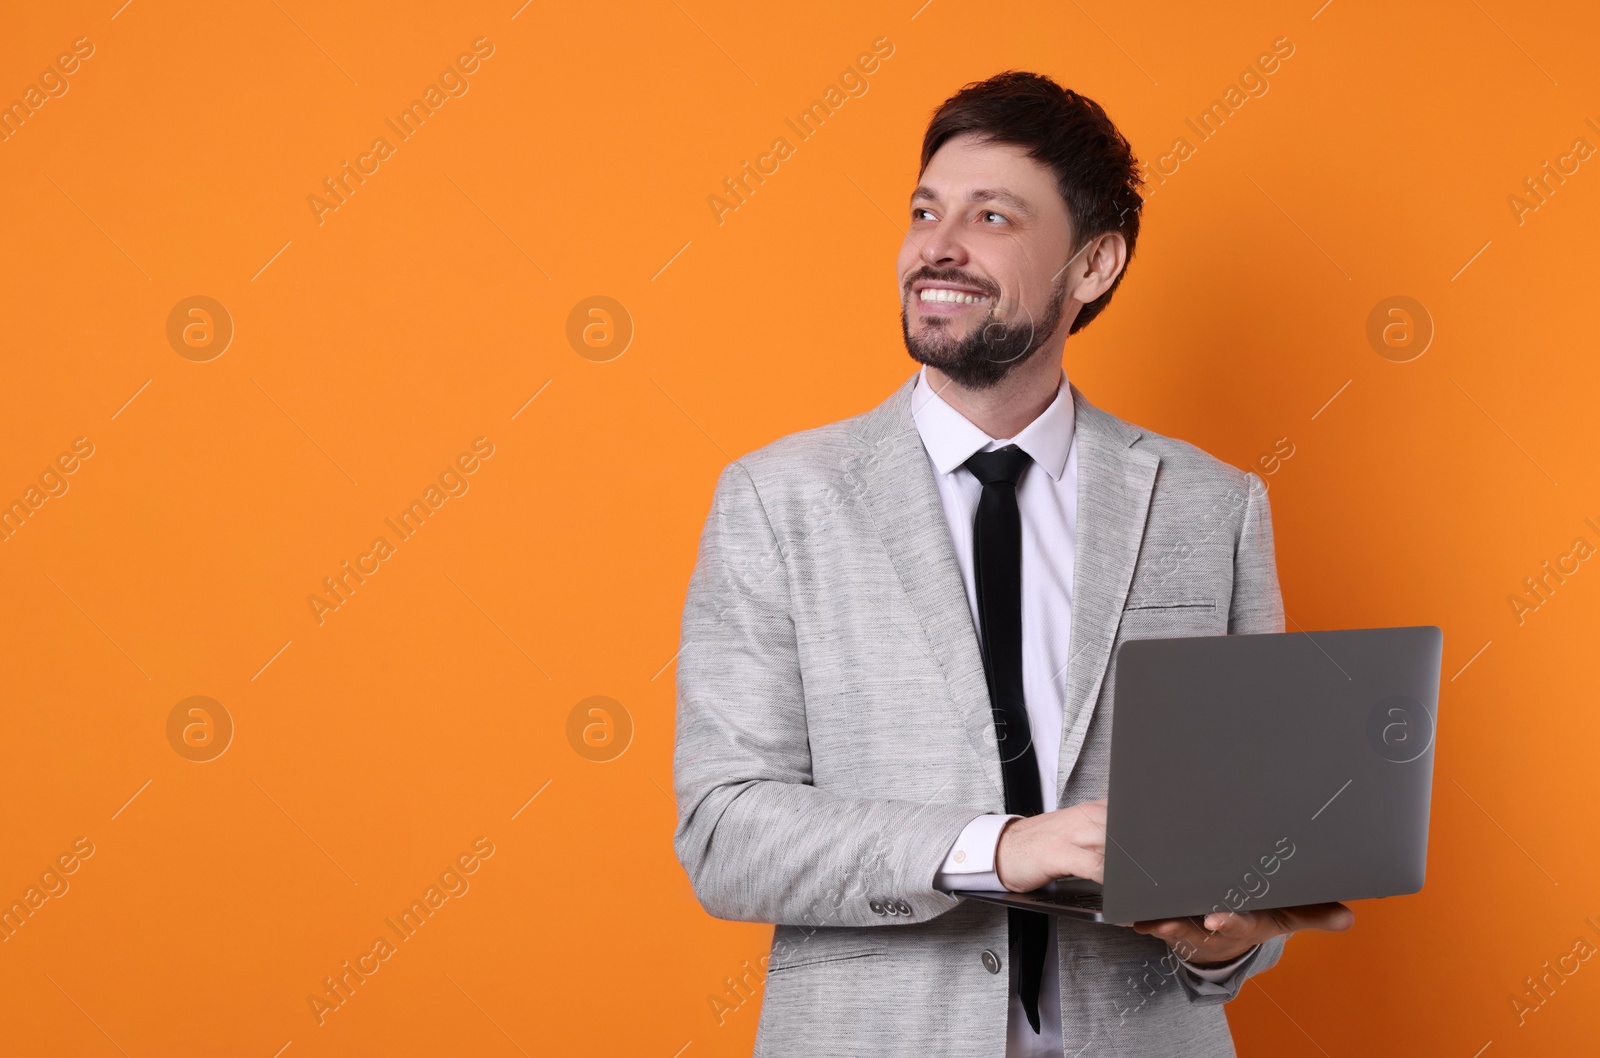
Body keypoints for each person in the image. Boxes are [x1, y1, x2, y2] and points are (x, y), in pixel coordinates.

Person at [672, 70, 1352, 1058]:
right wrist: (999, 847)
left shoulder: (1214, 505)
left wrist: (1236, 935)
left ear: (1093, 263)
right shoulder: (779, 499)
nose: (937, 245)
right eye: (924, 211)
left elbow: (1255, 849)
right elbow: (726, 832)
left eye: (991, 215)